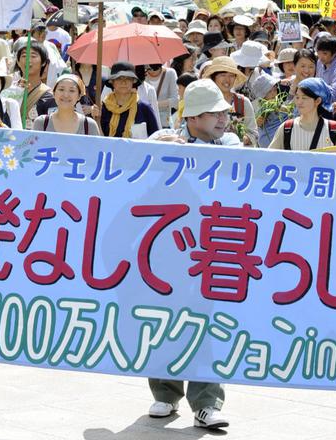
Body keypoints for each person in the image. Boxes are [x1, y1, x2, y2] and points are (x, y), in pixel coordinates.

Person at [147, 78, 234, 430]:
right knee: (162, 321)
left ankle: (206, 401)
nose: (222, 119)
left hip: (211, 250)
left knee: (206, 325)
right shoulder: (166, 141)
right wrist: (159, 147)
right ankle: (165, 394)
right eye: (214, 114)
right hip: (167, 251)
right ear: (193, 118)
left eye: (224, 112)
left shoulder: (229, 144)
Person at [269, 77, 336, 151]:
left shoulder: (332, 129)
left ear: (317, 101)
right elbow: (268, 156)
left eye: (304, 98)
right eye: (297, 97)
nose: (299, 102)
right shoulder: (286, 128)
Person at [200, 56, 259, 146]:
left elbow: (254, 133)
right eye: (223, 75)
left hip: (236, 155)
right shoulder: (204, 102)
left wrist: (241, 138)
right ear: (214, 77)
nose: (227, 80)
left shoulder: (243, 102)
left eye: (231, 75)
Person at [100, 61, 160, 138]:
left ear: (133, 81)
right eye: (119, 78)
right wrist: (97, 119)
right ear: (112, 82)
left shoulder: (144, 108)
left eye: (128, 78)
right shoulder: (104, 107)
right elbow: (100, 139)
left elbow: (155, 137)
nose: (123, 82)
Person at [32, 73, 101, 134]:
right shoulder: (41, 123)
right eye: (61, 89)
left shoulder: (89, 125)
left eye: (72, 90)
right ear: (54, 93)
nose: (66, 95)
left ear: (79, 96)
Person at [144, 62, 179, 127]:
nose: (151, 71)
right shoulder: (142, 75)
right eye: (148, 68)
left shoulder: (170, 73)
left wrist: (154, 104)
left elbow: (176, 100)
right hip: (146, 121)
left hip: (164, 122)